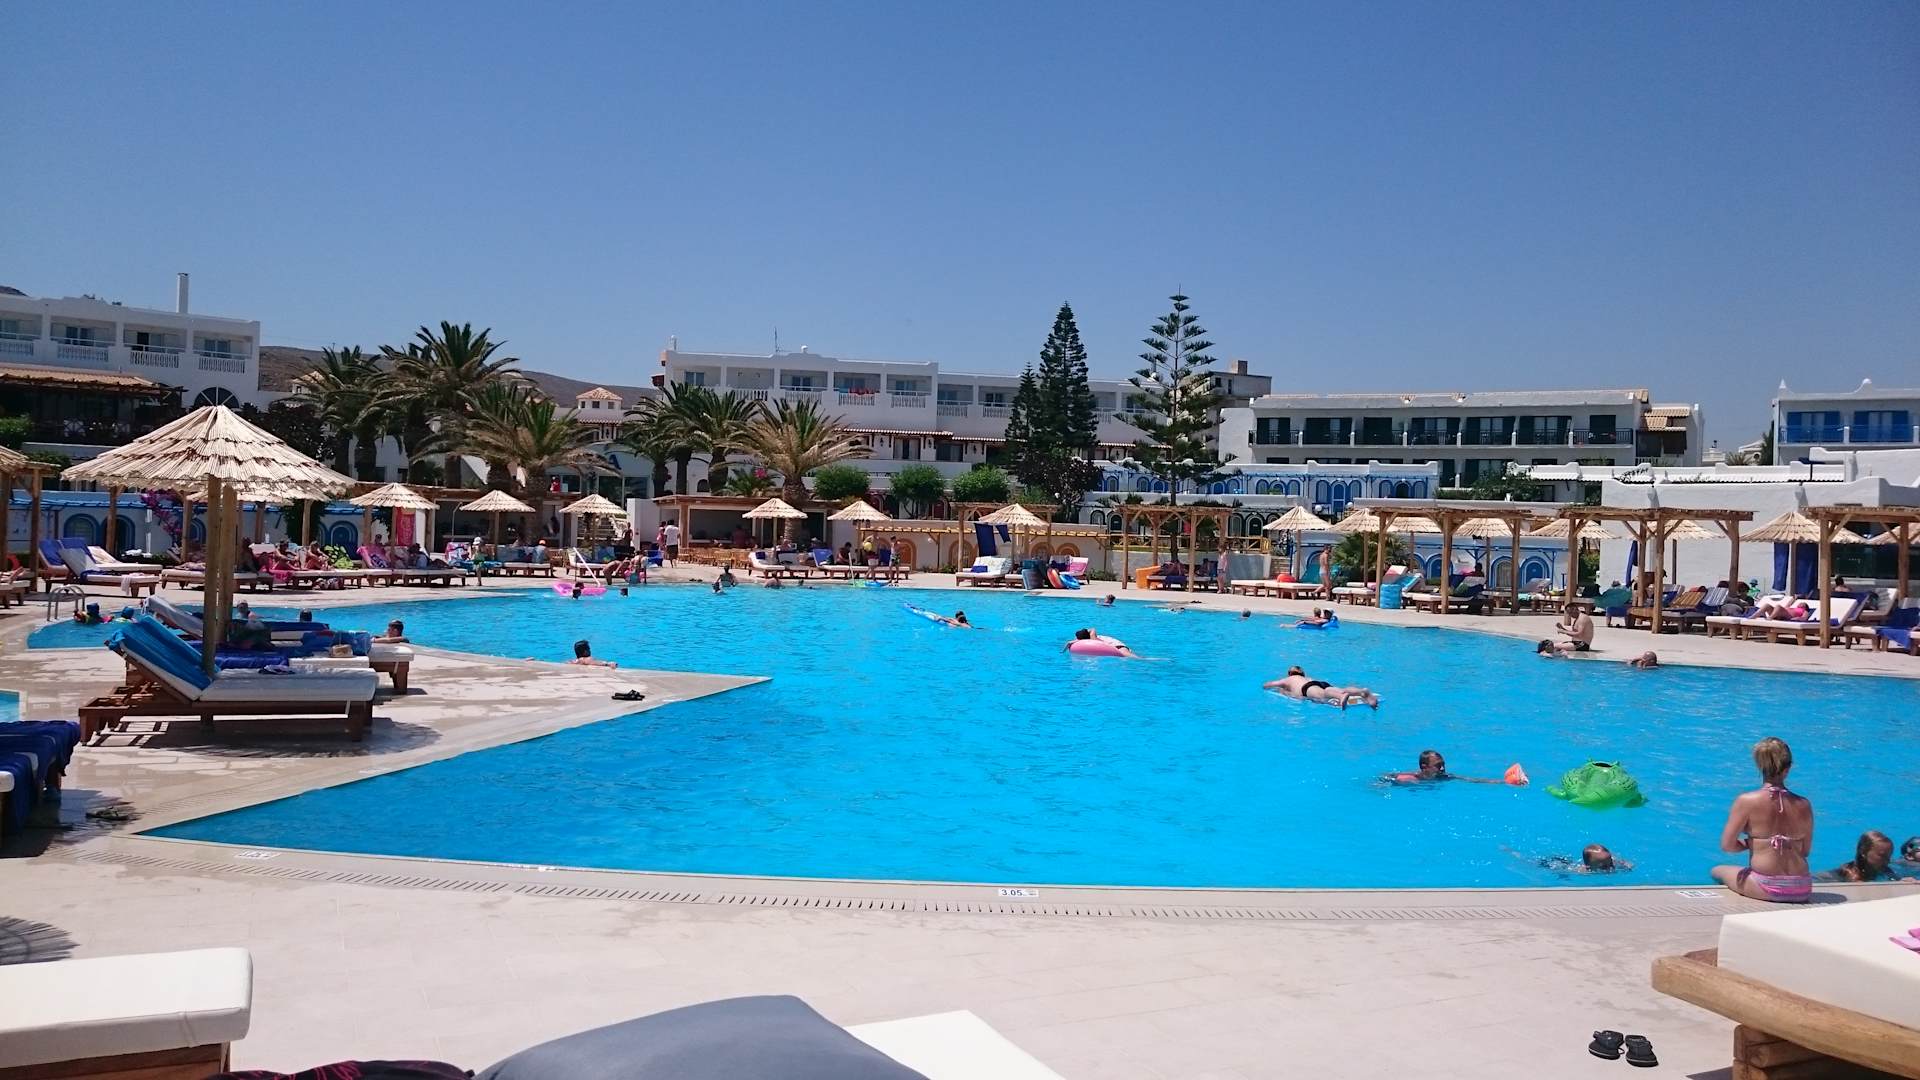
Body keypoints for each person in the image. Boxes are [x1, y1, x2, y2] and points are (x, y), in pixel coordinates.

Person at [1711, 736, 1815, 903]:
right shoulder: (1804, 804)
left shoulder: (1746, 801)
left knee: (1717, 870)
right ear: (1788, 768)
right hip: (1802, 886)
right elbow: (1805, 851)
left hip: (1766, 886)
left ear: (1759, 766)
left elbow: (1727, 846)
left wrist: (1750, 843)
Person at [1383, 750, 1505, 784]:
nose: (1442, 769)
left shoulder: (1444, 777)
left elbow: (1472, 780)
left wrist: (1502, 782)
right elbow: (1388, 778)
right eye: (1438, 765)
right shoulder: (1411, 778)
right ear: (1424, 767)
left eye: (1443, 765)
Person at [1825, 830, 1896, 882]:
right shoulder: (1851, 875)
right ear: (1863, 852)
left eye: (1889, 856)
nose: (1888, 860)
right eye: (1882, 855)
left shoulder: (1885, 870)